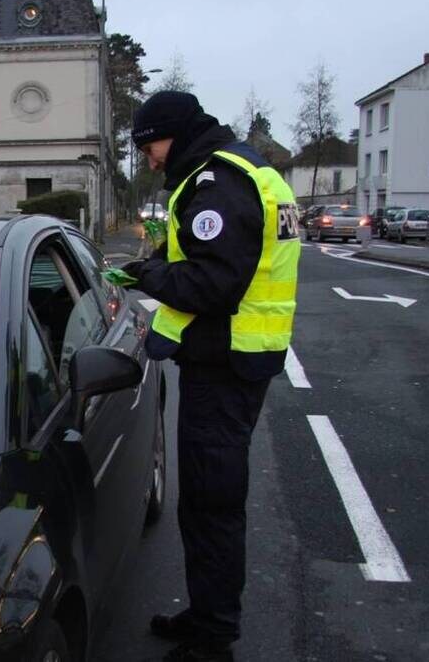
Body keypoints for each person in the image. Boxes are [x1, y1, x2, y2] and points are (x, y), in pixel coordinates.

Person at [120, 91, 300, 662]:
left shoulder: (216, 183)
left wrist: (150, 274)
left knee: (211, 505)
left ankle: (213, 639)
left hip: (226, 366)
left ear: (175, 133)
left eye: (151, 146)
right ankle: (206, 616)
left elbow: (211, 284)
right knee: (205, 502)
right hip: (239, 357)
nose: (150, 159)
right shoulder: (245, 170)